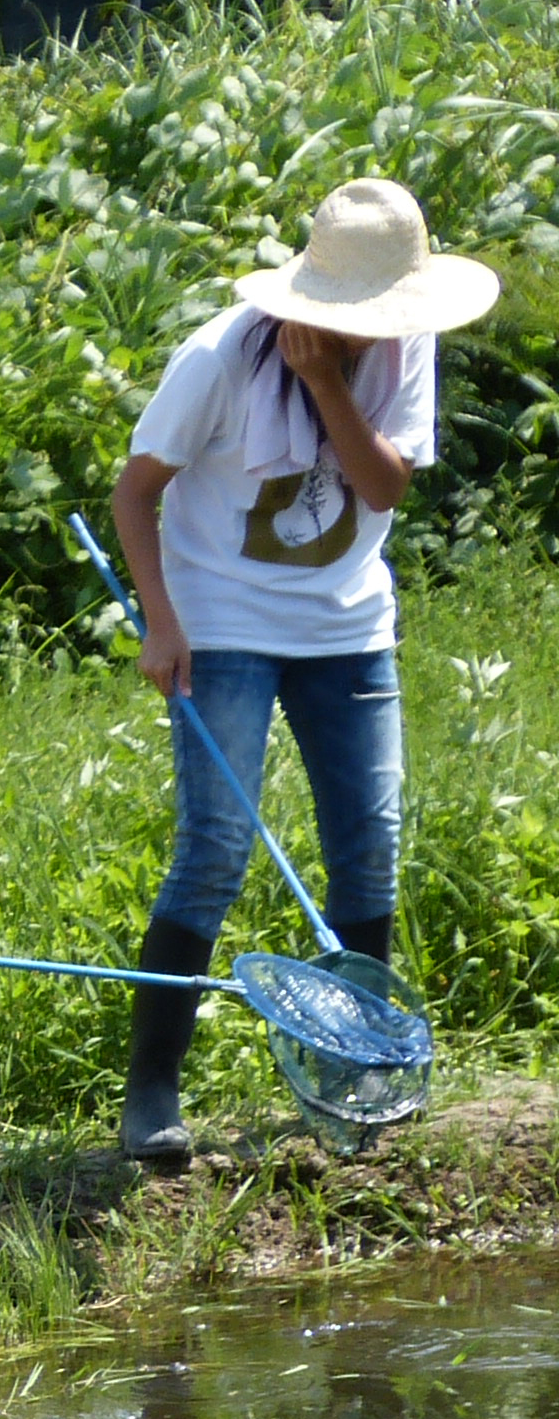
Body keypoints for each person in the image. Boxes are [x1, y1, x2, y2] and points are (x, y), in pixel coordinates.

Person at [109, 177, 495, 1167]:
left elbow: (380, 486)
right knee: (215, 847)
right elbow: (134, 491)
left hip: (350, 628)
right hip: (223, 623)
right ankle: (150, 1092)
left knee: (368, 845)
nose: (371, 330)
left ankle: (363, 1070)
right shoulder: (219, 355)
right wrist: (161, 624)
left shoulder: (403, 351)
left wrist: (327, 383)